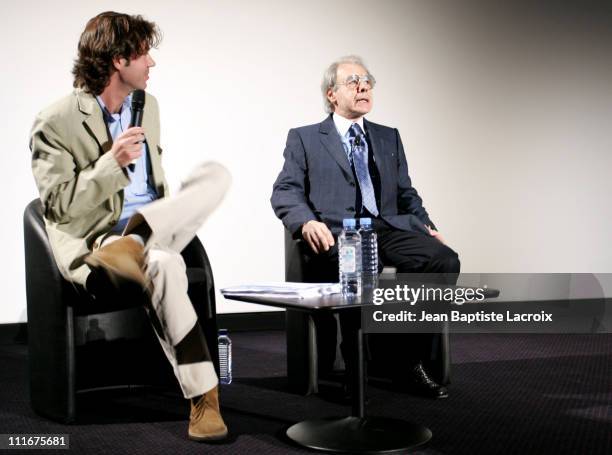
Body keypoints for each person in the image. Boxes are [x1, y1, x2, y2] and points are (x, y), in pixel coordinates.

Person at [29, 11, 230, 440]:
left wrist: (164, 215)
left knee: (216, 175)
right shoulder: (55, 120)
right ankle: (204, 399)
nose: (151, 63)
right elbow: (59, 207)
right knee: (164, 267)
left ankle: (138, 240)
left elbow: (155, 181)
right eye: (143, 54)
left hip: (155, 224)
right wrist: (110, 164)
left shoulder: (148, 106)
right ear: (119, 60)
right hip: (102, 236)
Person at [271, 55, 460, 399]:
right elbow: (285, 190)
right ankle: (357, 364)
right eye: (353, 81)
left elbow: (406, 194)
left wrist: (427, 225)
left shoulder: (389, 137)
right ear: (332, 94)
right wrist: (307, 220)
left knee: (442, 259)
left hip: (387, 227)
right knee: (360, 267)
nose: (363, 86)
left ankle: (409, 359)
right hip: (339, 233)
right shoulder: (306, 138)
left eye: (367, 80)